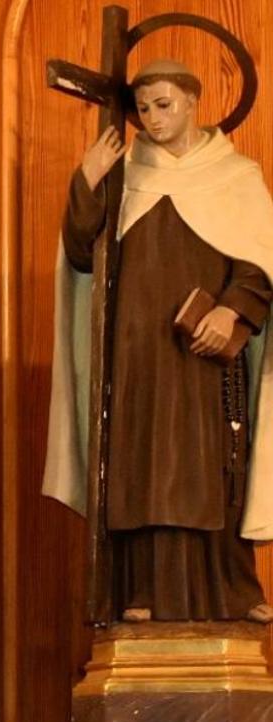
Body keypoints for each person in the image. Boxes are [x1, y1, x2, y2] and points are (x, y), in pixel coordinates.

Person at [44, 59, 273, 623]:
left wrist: (232, 310)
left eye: (164, 104)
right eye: (143, 107)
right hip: (136, 354)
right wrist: (87, 182)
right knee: (140, 468)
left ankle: (231, 593)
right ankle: (138, 591)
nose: (152, 117)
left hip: (205, 359)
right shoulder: (125, 175)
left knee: (215, 467)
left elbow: (259, 263)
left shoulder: (237, 174)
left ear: (194, 102)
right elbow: (81, 253)